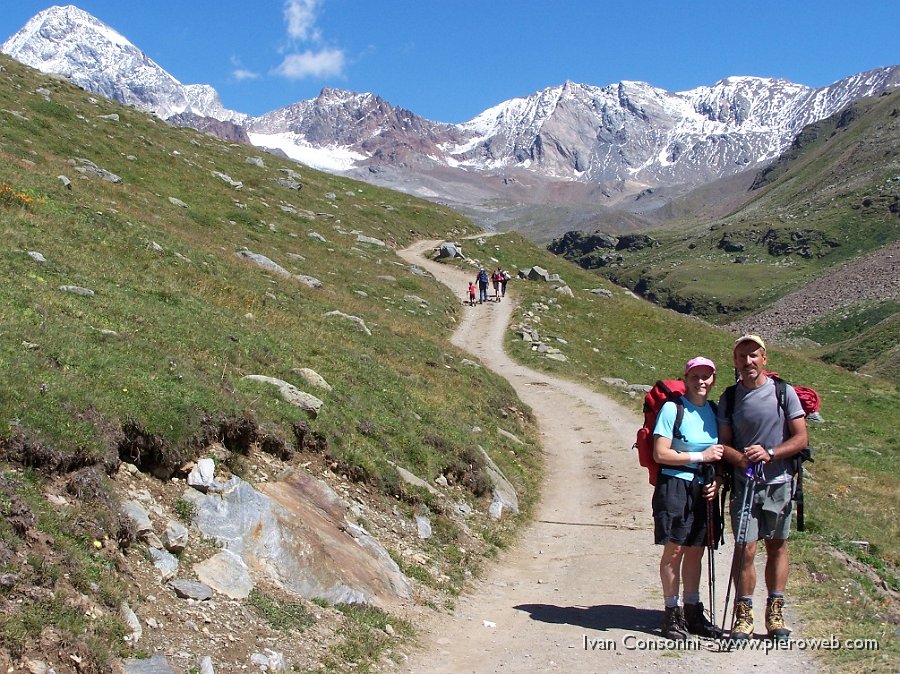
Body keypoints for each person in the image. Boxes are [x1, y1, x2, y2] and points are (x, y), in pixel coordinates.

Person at [717, 335, 808, 641]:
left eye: (753, 355)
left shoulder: (784, 393)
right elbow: (723, 445)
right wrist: (740, 458)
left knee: (777, 545)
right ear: (735, 361)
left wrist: (771, 453)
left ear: (764, 358)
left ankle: (775, 612)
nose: (748, 362)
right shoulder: (730, 398)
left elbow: (800, 439)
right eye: (742, 357)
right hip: (744, 484)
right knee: (745, 548)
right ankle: (744, 616)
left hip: (779, 482)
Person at [652, 356, 724, 639]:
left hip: (704, 487)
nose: (701, 381)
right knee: (675, 549)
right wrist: (699, 456)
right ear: (686, 379)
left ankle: (693, 612)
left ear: (713, 380)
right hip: (675, 486)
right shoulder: (673, 409)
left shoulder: (715, 411)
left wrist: (717, 480)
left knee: (697, 549)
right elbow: (660, 453)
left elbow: (719, 455)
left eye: (706, 376)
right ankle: (672, 613)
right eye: (695, 376)